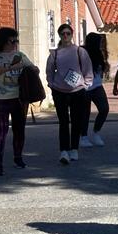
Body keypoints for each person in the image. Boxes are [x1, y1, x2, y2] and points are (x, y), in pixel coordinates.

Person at [0, 27, 34, 175]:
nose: (15, 44)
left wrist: (31, 70)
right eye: (12, 41)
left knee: (19, 130)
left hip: (19, 98)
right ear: (2, 41)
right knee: (1, 131)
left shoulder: (20, 55)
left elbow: (33, 68)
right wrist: (10, 68)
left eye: (16, 40)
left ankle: (18, 157)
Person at [45, 24, 93, 165]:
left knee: (76, 121)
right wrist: (52, 84)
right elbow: (49, 71)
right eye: (63, 34)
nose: (65, 36)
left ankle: (74, 149)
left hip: (77, 91)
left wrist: (85, 85)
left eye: (68, 33)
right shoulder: (55, 53)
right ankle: (63, 151)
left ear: (72, 34)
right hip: (60, 91)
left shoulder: (80, 51)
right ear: (59, 35)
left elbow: (88, 69)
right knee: (63, 122)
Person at [79, 32, 110, 148]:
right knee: (85, 113)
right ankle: (84, 137)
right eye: (99, 42)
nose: (101, 44)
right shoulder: (82, 52)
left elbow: (101, 68)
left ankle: (96, 132)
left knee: (104, 109)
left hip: (97, 85)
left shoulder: (99, 53)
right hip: (84, 87)